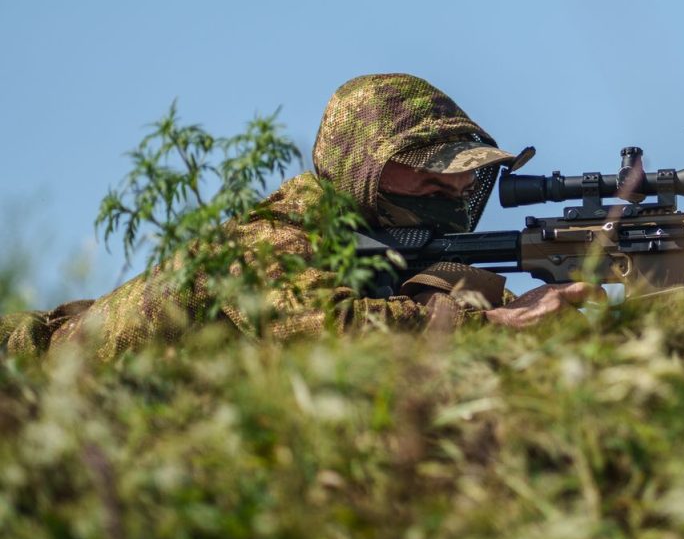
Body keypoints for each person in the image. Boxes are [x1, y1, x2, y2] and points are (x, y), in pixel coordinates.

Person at [0, 74, 592, 359]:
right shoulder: (271, 240)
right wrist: (493, 327)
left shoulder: (385, 244)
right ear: (361, 168)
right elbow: (331, 330)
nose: (455, 185)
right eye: (427, 168)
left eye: (463, 170)